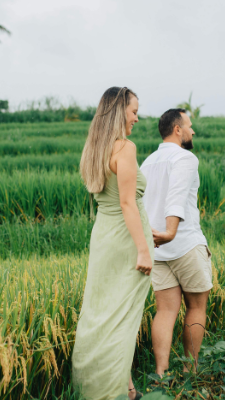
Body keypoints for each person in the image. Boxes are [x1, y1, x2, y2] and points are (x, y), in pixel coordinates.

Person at [71, 86, 152, 400]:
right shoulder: (125, 148)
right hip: (125, 240)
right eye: (133, 111)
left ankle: (119, 387)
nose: (137, 117)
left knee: (102, 313)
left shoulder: (94, 148)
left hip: (103, 237)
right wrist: (144, 248)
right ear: (119, 111)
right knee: (123, 319)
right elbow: (128, 203)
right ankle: (117, 393)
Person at [140, 108, 212, 377]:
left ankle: (161, 373)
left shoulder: (147, 162)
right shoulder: (185, 158)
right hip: (184, 243)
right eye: (189, 126)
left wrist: (155, 236)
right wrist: (170, 231)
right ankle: (190, 370)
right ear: (177, 129)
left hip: (157, 250)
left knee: (165, 310)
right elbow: (177, 196)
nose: (193, 131)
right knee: (196, 307)